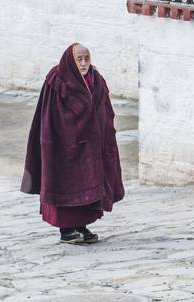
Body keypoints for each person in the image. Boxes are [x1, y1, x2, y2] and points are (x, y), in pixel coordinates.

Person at [21, 43, 124, 244]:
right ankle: (66, 229)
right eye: (80, 59)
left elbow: (104, 108)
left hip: (91, 146)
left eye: (87, 58)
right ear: (70, 60)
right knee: (66, 184)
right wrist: (66, 137)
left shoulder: (96, 80)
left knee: (89, 184)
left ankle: (81, 226)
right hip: (64, 145)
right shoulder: (57, 80)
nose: (84, 63)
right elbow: (50, 116)